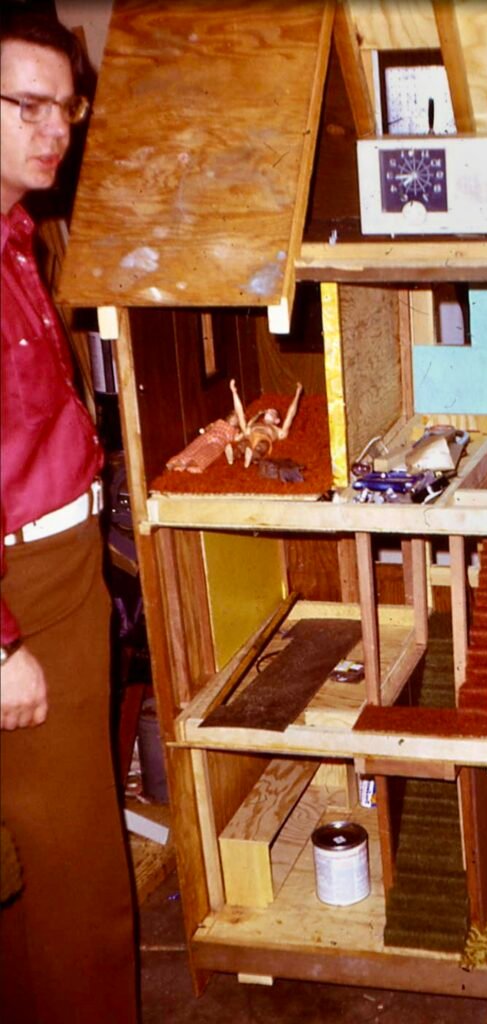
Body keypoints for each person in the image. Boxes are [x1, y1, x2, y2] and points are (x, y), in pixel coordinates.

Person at [1, 11, 139, 1022]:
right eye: (29, 106)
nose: (56, 130)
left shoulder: (19, 237)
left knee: (28, 867)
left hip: (65, 571)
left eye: (68, 108)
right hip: (23, 598)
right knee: (82, 880)